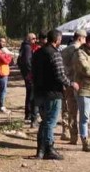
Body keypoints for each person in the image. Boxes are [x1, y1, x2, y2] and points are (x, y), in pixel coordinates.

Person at [30, 30, 78, 160]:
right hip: (52, 93)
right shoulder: (55, 54)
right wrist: (71, 83)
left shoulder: (37, 53)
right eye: (60, 39)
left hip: (39, 92)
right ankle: (49, 149)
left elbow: (32, 72)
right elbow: (60, 75)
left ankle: (41, 150)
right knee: (50, 122)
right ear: (57, 40)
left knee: (45, 121)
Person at [60, 30, 86, 144]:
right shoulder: (79, 51)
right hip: (76, 82)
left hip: (65, 81)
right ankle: (79, 135)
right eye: (85, 38)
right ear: (80, 38)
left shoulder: (64, 50)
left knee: (67, 108)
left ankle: (67, 132)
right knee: (79, 109)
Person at [17, 32, 38, 124]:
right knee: (31, 95)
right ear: (29, 39)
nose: (35, 40)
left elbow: (19, 61)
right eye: (33, 38)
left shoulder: (24, 47)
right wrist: (31, 72)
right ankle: (29, 114)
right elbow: (26, 61)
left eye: (35, 38)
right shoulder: (27, 48)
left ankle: (27, 114)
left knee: (29, 94)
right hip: (29, 75)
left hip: (26, 74)